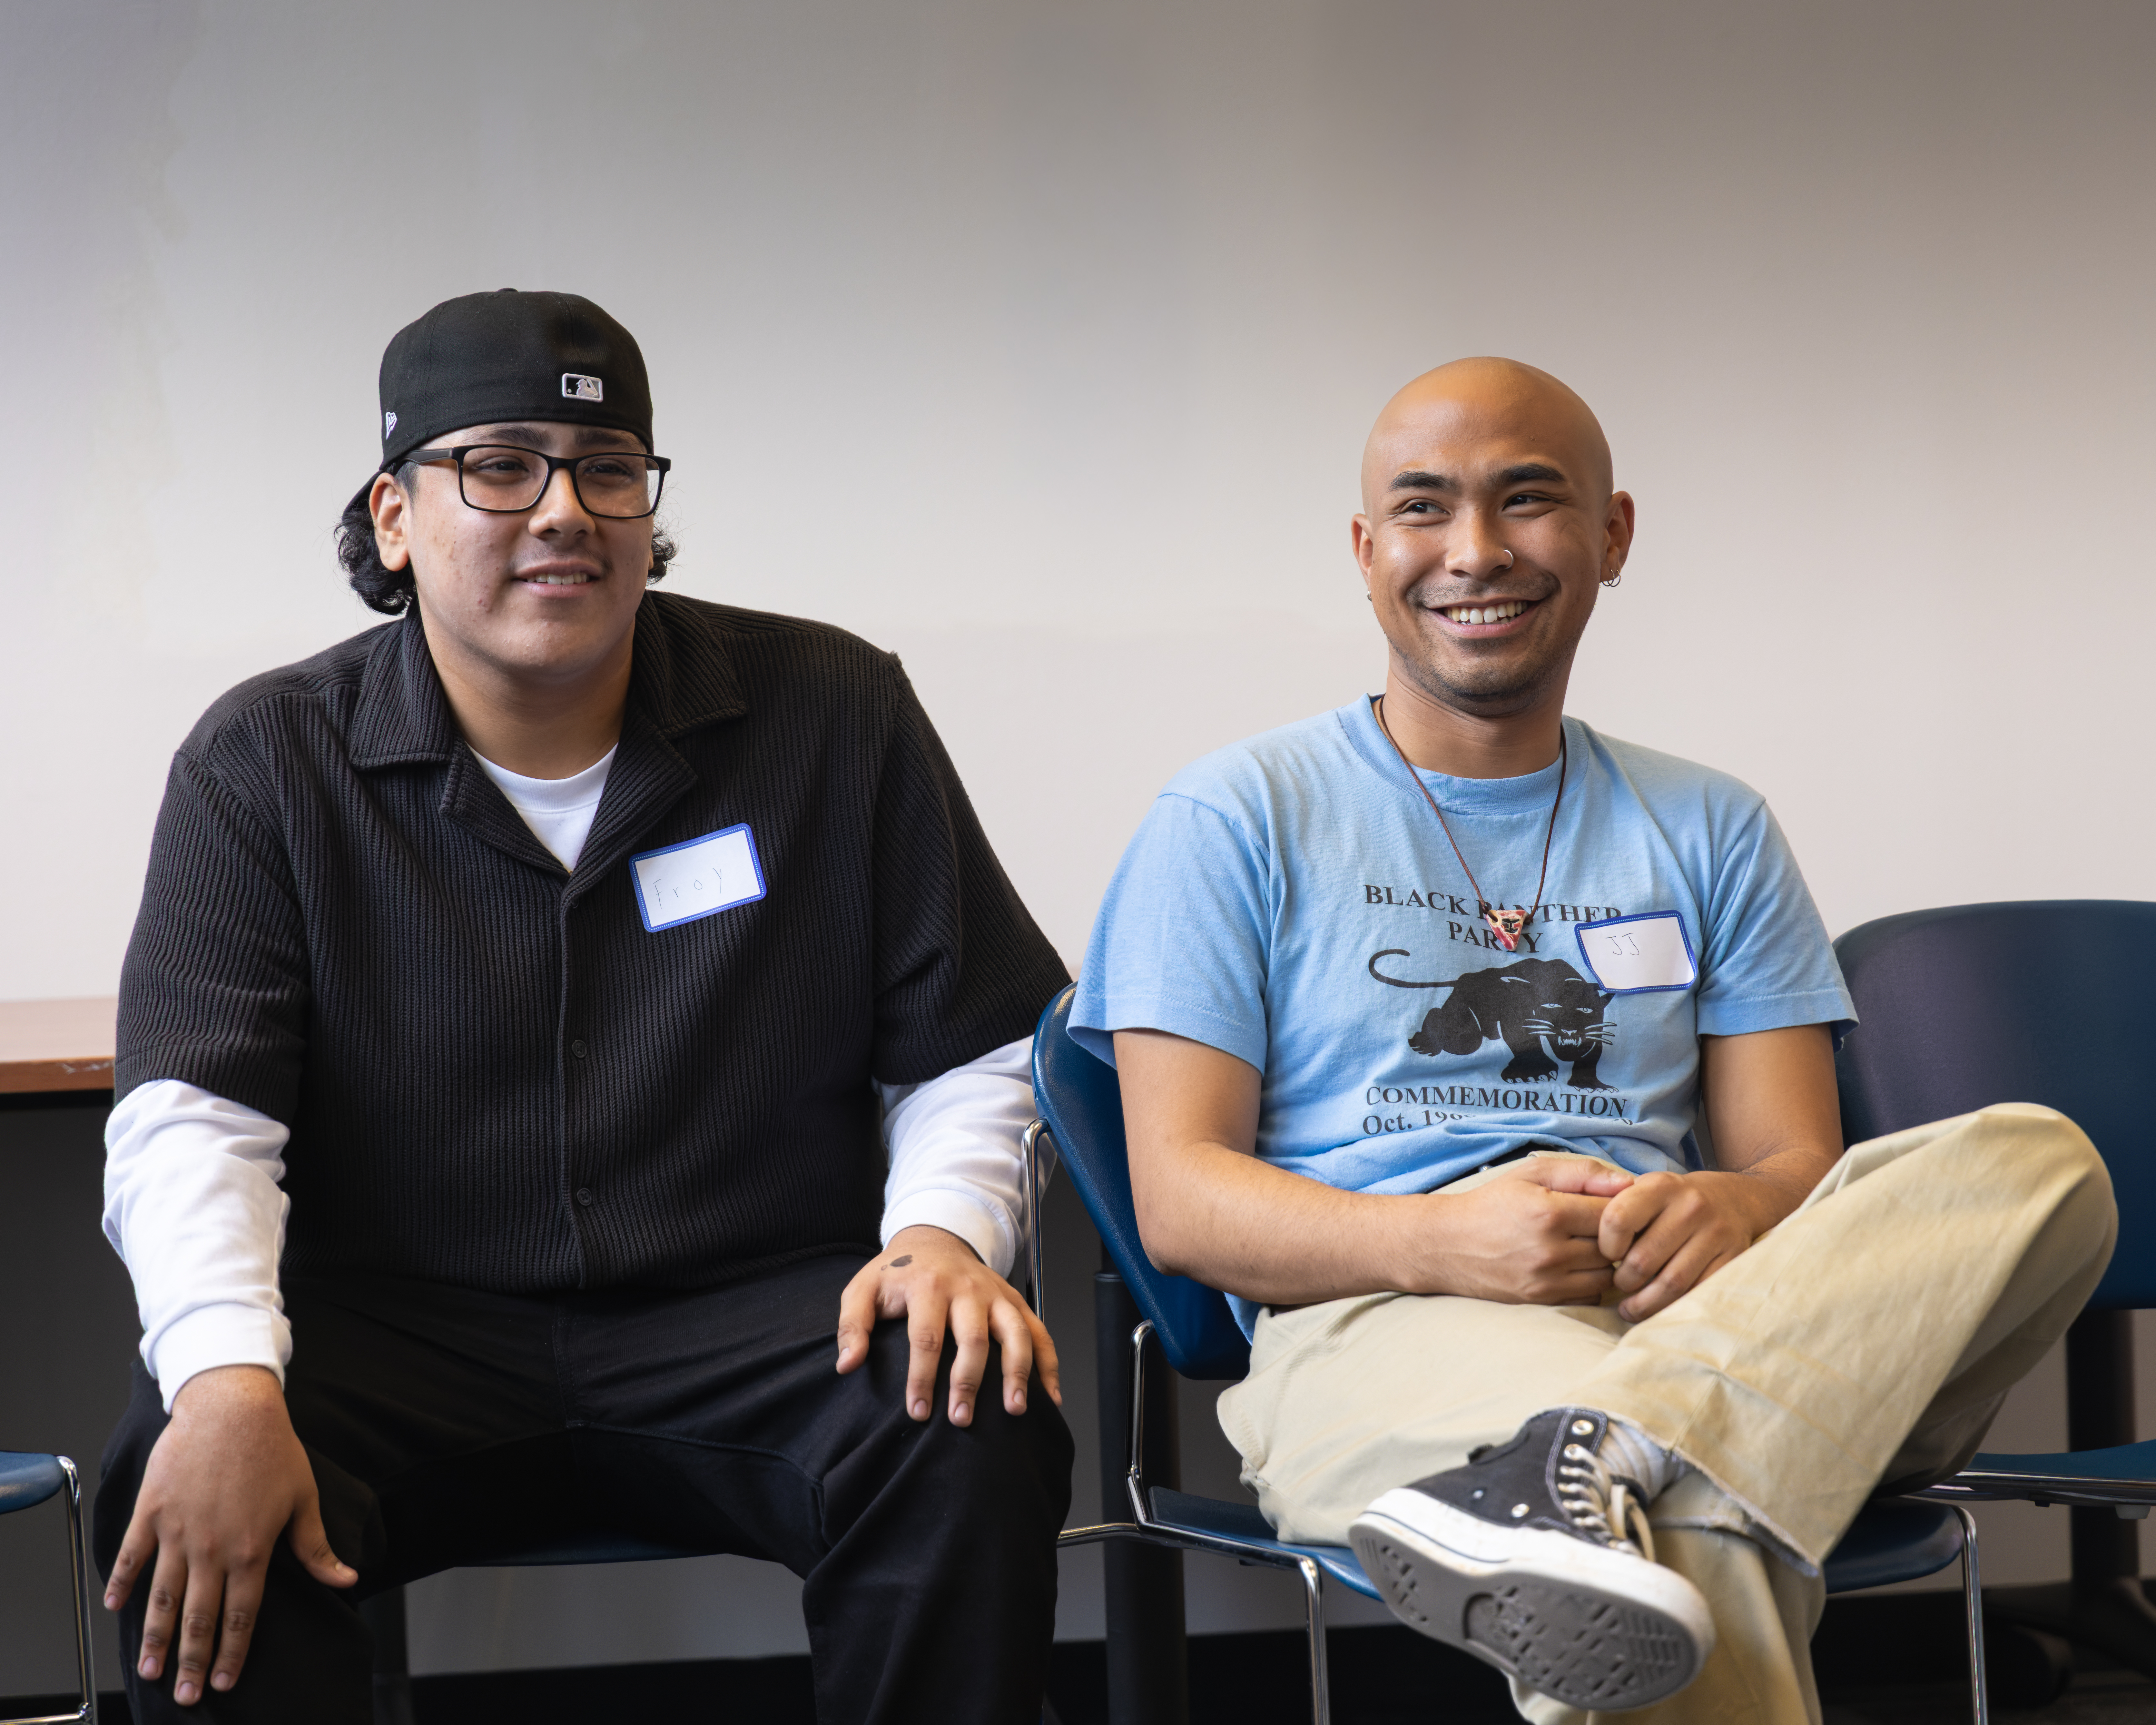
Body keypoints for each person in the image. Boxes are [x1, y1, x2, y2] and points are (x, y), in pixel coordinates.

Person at [1069, 357, 2115, 1722]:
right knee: (1679, 1531)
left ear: (1611, 534)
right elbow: (1181, 1200)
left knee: (2039, 1163)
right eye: (1424, 509)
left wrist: (1734, 1207)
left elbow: (1794, 1160)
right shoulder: (1232, 816)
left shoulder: (1711, 824)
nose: (1475, 551)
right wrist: (1441, 1241)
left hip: (1711, 1318)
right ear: (1365, 550)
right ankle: (1608, 1465)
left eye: (1526, 499)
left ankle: (1597, 1450)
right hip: (1392, 1321)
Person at [96, 289, 1075, 1724]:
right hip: (399, 1336)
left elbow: (979, 1039)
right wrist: (227, 1380)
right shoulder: (266, 764)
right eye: (499, 464)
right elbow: (194, 1117)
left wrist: (939, 1238)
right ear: (393, 516)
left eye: (605, 466)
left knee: (959, 1410)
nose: (563, 508)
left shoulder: (831, 710)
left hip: (755, 1316)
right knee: (192, 1453)